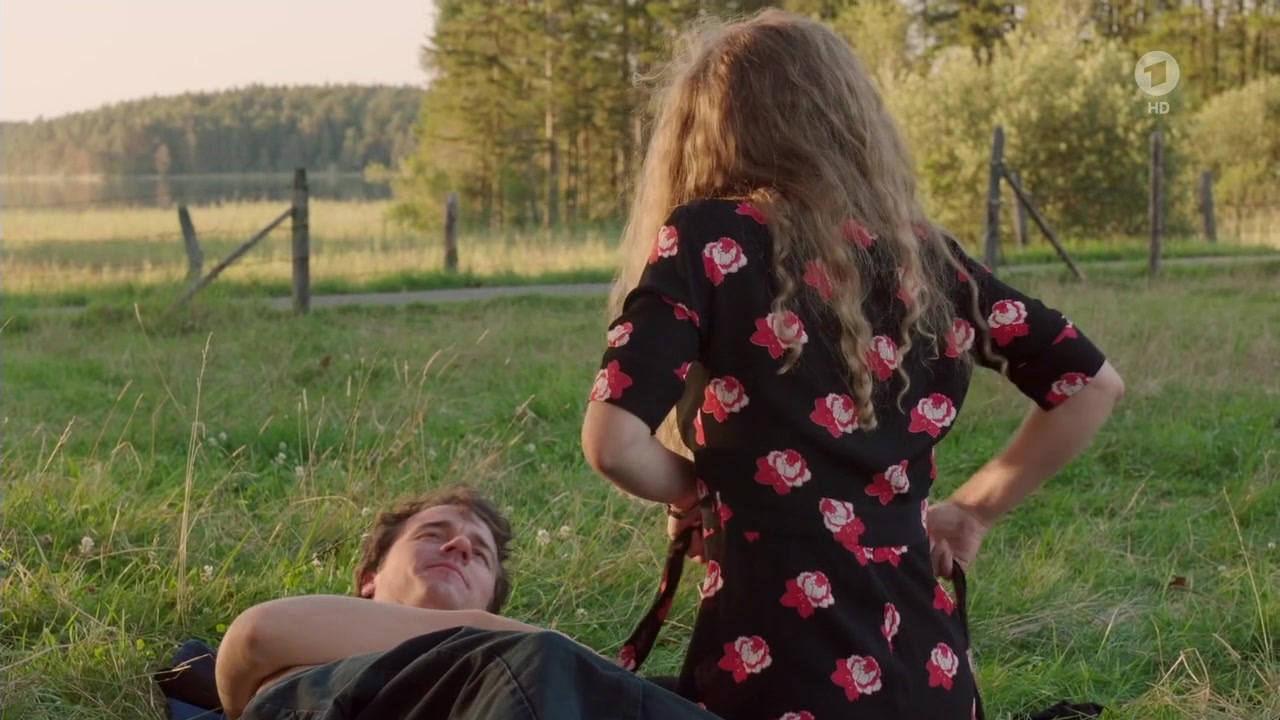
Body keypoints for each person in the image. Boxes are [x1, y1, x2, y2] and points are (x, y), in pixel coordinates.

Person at [579, 8, 1125, 720]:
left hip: (781, 679)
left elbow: (613, 442)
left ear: (704, 135)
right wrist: (972, 513)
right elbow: (1093, 385)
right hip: (931, 681)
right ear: (849, 122)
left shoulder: (710, 240)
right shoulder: (929, 259)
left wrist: (700, 493)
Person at [213, 485, 718, 720]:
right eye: (433, 535)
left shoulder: (513, 661)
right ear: (368, 579)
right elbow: (256, 634)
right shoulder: (315, 652)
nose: (458, 546)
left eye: (480, 554)